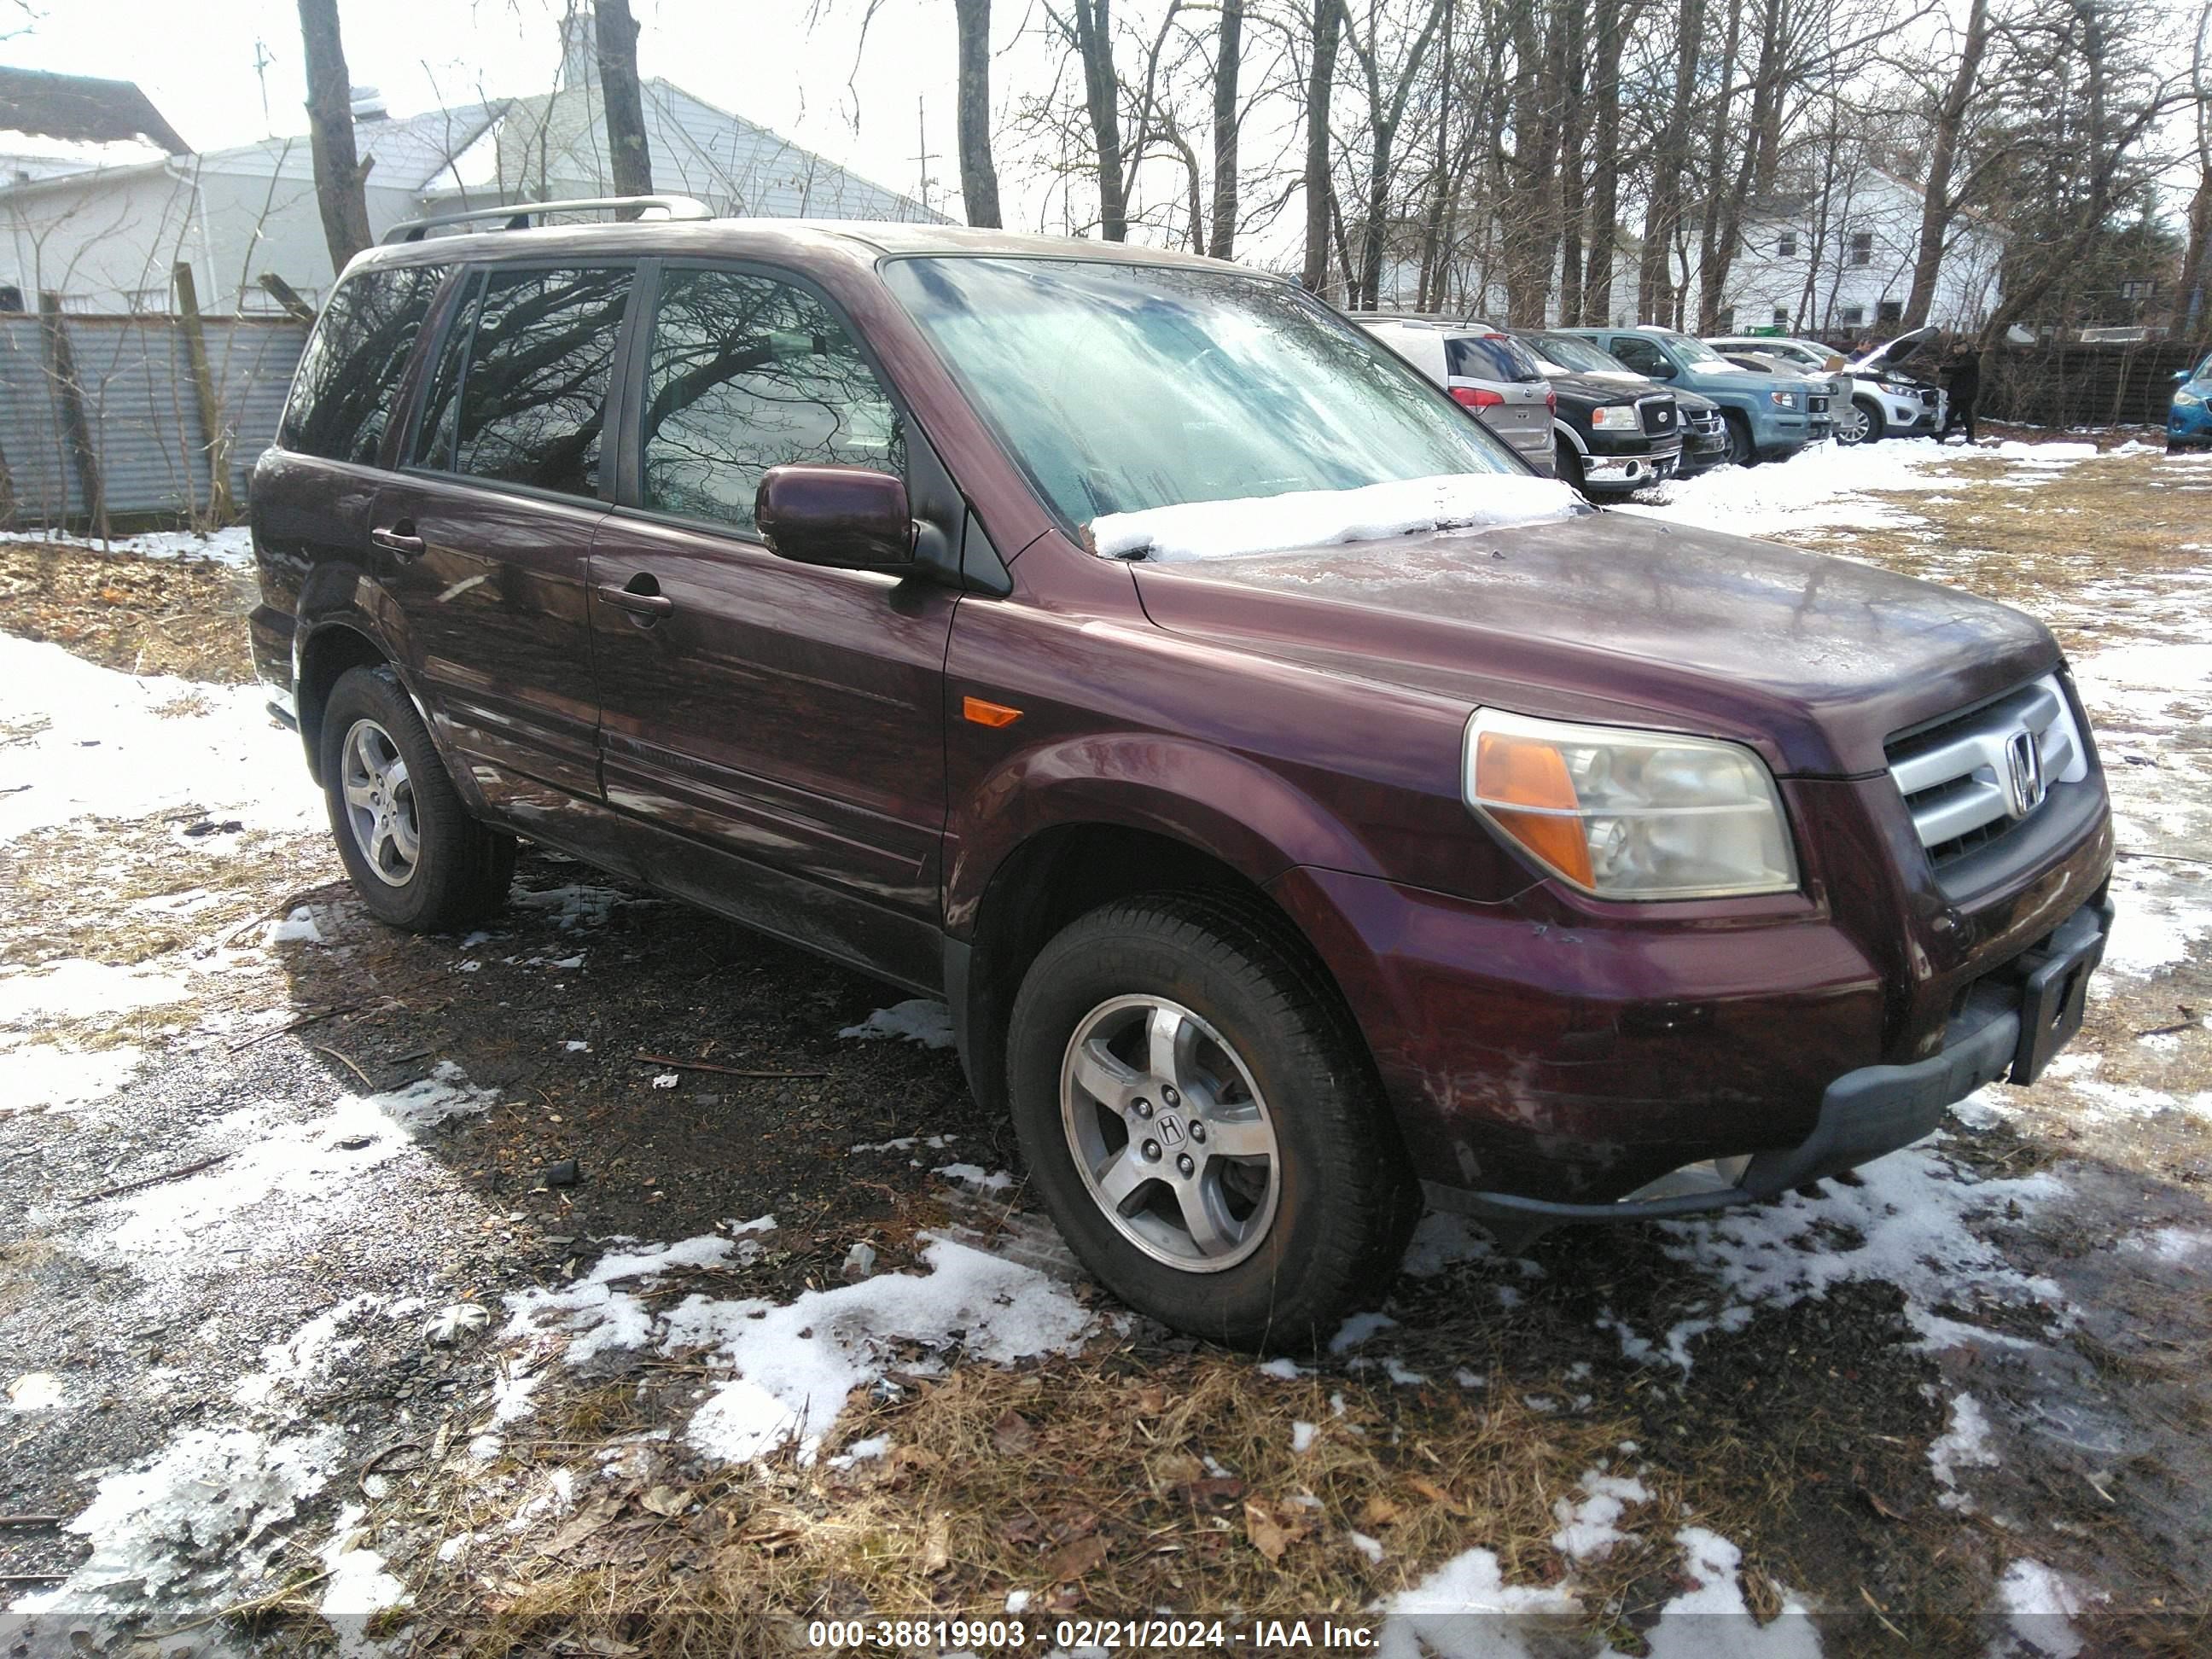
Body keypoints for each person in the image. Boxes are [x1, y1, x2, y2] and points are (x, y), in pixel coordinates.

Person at [1940, 346, 1981, 443]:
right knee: (1952, 415)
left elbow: (1958, 369)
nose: (1955, 351)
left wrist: (1943, 369)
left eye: (1956, 349)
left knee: (1964, 415)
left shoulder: (1969, 359)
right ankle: (1943, 436)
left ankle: (1970, 437)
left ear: (1962, 348)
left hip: (1965, 394)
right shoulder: (1963, 358)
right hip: (1960, 394)